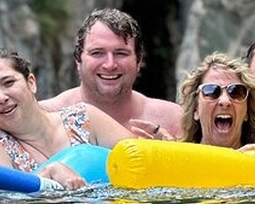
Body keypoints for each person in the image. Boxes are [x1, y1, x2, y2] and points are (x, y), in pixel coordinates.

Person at [0, 48, 134, 189]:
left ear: (31, 83)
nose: (1, 97)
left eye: (8, 83)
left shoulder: (83, 119)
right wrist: (49, 172)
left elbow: (143, 158)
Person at [39, 8, 181, 140]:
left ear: (138, 61)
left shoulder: (173, 120)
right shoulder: (46, 116)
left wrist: (168, 153)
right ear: (78, 60)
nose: (110, 64)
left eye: (121, 53)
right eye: (97, 53)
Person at [178, 52, 255, 149]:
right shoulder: (178, 162)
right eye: (212, 91)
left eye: (236, 92)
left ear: (247, 112)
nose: (225, 101)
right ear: (195, 109)